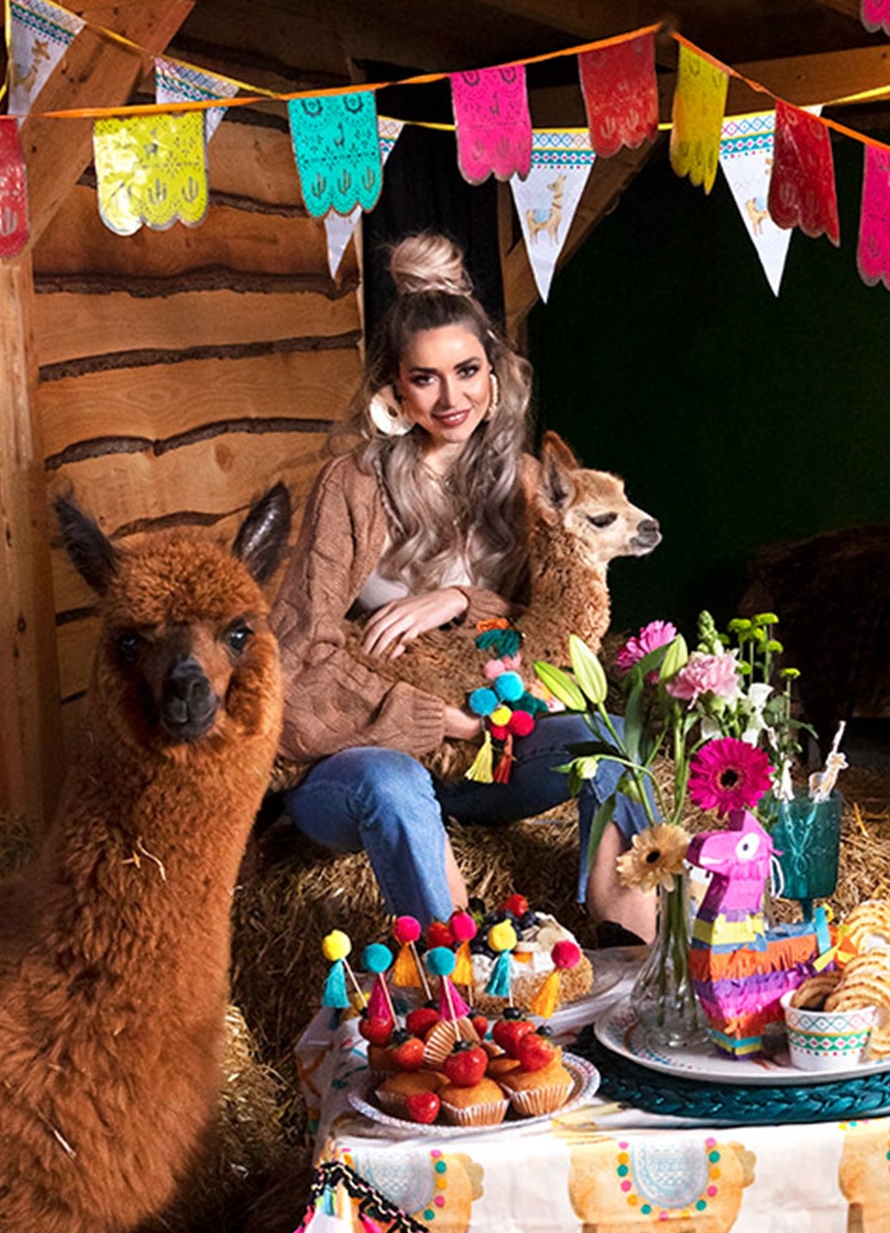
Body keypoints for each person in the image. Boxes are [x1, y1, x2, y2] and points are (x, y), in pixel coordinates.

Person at [270, 233, 654, 939]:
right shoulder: (353, 485)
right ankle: (463, 990)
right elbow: (294, 653)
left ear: (494, 373)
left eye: (467, 370)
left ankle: (633, 954)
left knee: (607, 740)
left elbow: (551, 621)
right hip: (362, 760)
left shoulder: (525, 485)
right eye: (425, 378)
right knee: (395, 781)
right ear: (393, 386)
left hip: (486, 757)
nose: (452, 398)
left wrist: (460, 599)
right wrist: (432, 720)